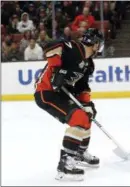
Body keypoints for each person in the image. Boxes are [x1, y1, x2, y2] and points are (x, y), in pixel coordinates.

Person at [34, 28, 104, 181]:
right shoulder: (74, 48)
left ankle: (79, 152)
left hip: (61, 93)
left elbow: (82, 87)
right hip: (46, 92)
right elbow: (51, 45)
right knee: (78, 117)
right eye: (99, 44)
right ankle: (65, 163)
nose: (100, 47)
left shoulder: (88, 64)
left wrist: (87, 104)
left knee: (87, 114)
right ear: (95, 44)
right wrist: (57, 70)